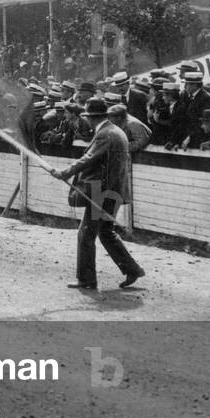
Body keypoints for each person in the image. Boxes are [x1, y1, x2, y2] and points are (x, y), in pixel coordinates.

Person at [51, 98, 145, 291]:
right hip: (112, 191)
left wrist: (64, 172)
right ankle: (132, 269)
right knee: (105, 232)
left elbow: (88, 159)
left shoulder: (105, 134)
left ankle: (86, 280)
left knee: (86, 234)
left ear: (92, 118)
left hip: (102, 192)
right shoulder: (114, 130)